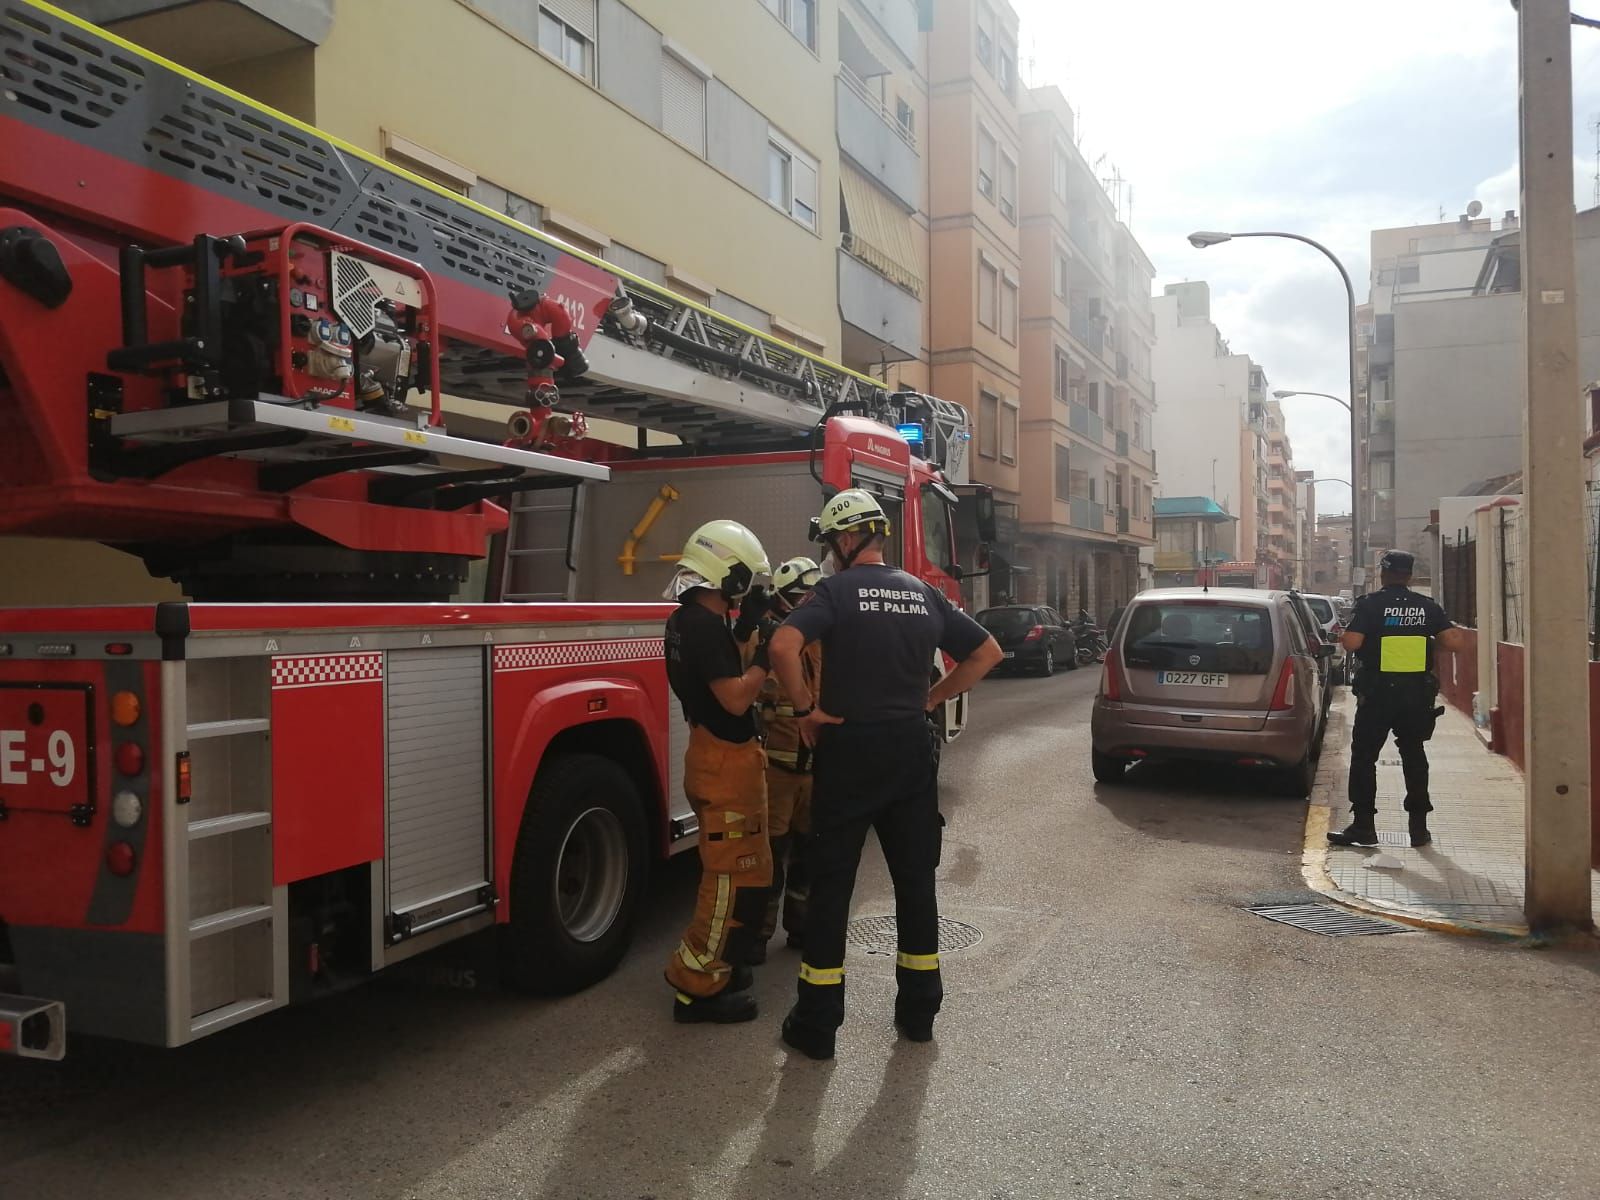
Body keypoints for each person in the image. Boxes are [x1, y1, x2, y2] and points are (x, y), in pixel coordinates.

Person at [768, 489, 1003, 1060]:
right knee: (915, 885)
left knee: (832, 889)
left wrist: (804, 710)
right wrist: (930, 699)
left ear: (847, 539)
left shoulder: (834, 592)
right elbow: (987, 652)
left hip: (848, 752)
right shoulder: (922, 593)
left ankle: (818, 1024)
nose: (829, 553)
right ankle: (919, 1013)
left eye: (830, 543)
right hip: (908, 754)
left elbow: (782, 642)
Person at [662, 520, 776, 1024]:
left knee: (744, 869)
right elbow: (733, 698)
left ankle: (723, 965)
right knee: (730, 877)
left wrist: (744, 630)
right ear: (728, 576)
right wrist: (766, 661)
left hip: (712, 755)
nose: (746, 590)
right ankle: (697, 985)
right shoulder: (703, 627)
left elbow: (710, 676)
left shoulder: (688, 620)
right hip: (725, 763)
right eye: (744, 581)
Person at [1329, 549, 1468, 849]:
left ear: (1383, 573)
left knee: (1365, 758)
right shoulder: (1425, 606)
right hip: (1416, 696)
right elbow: (1454, 642)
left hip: (1378, 694)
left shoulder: (1372, 605)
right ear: (1409, 575)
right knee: (1414, 755)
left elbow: (1352, 642)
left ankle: (1364, 826)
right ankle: (1419, 828)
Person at [737, 556, 824, 963]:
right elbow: (738, 670)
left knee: (808, 856)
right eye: (801, 594)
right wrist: (745, 628)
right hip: (776, 768)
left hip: (814, 767)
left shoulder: (822, 636)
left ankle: (803, 926)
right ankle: (757, 936)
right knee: (769, 860)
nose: (807, 600)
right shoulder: (765, 637)